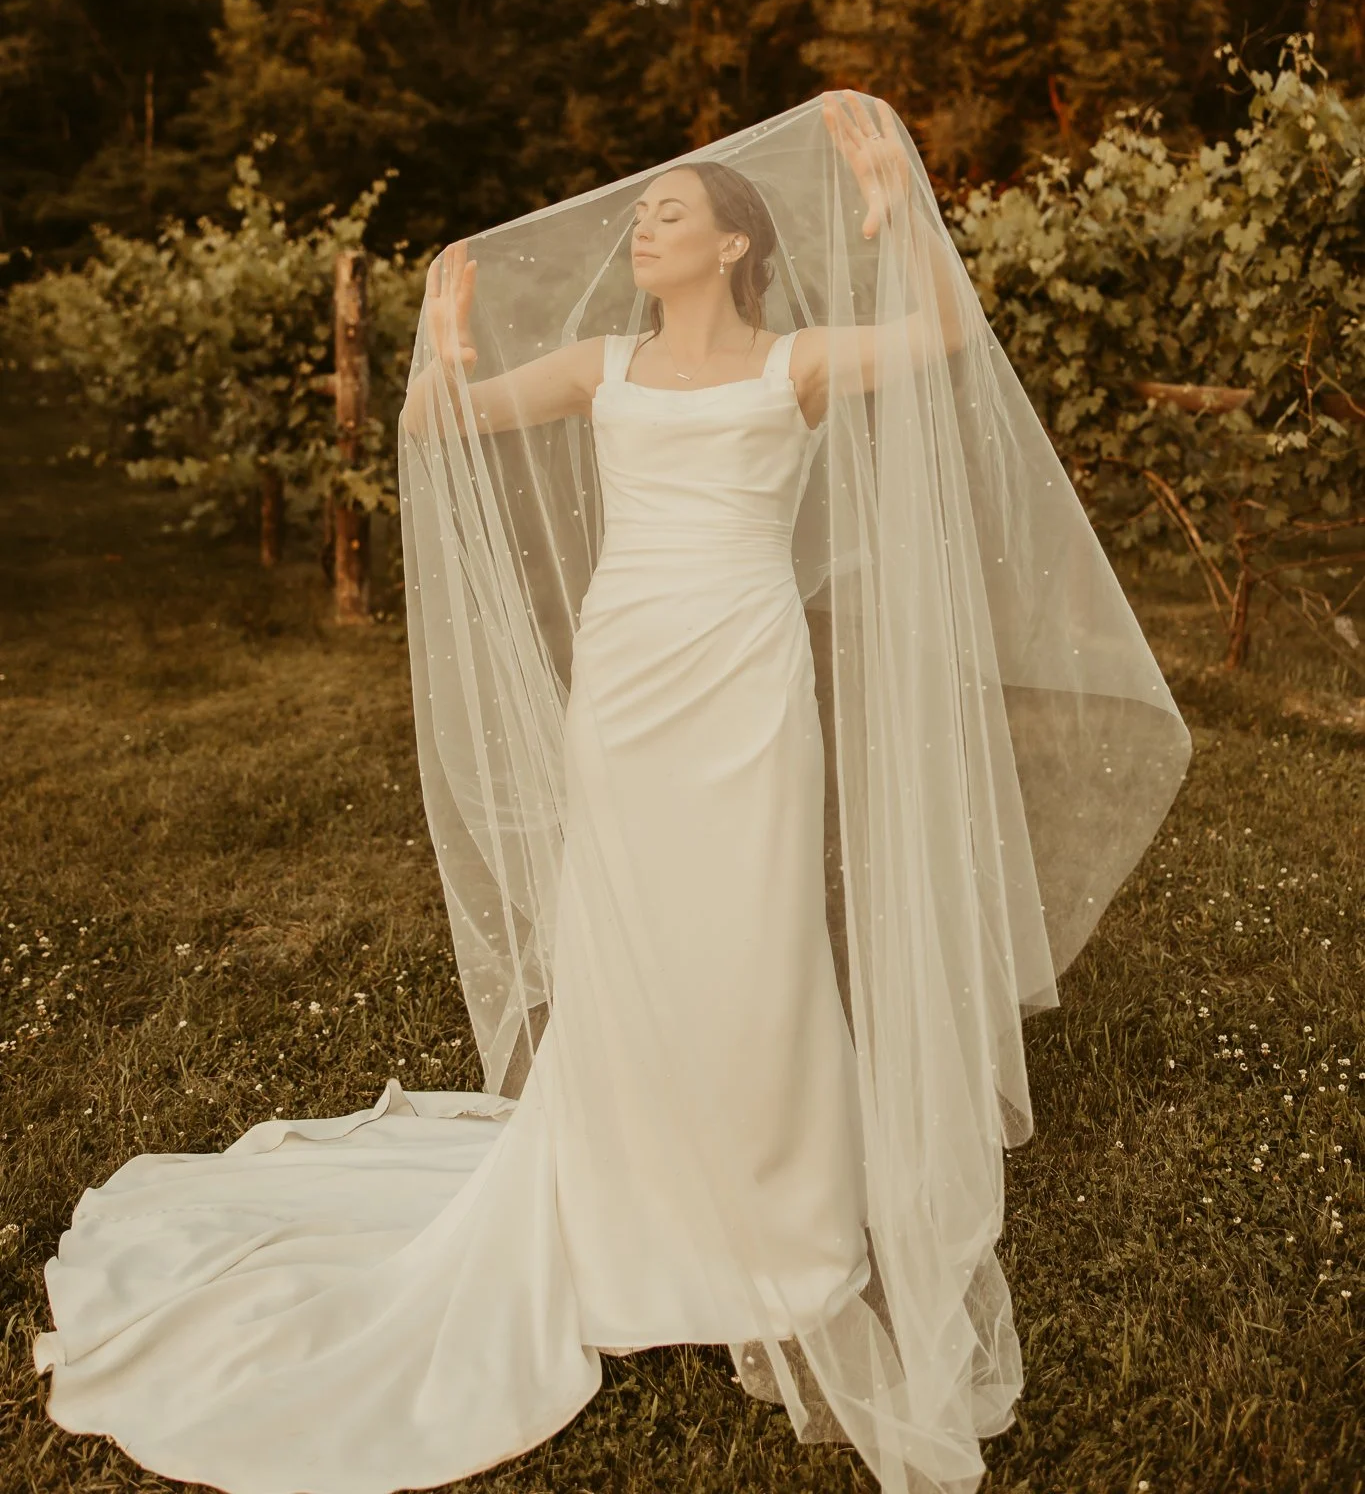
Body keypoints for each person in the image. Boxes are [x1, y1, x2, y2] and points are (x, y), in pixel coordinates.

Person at [35, 92, 1191, 1494]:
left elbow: (944, 337)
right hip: (628, 684)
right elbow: (443, 427)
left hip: (748, 681)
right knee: (626, 926)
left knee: (754, 933)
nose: (641, 228)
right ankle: (624, 1196)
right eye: (641, 213)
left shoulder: (795, 365)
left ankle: (773, 1204)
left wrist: (897, 220)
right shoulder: (604, 369)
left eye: (668, 212)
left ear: (733, 246)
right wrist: (447, 349)